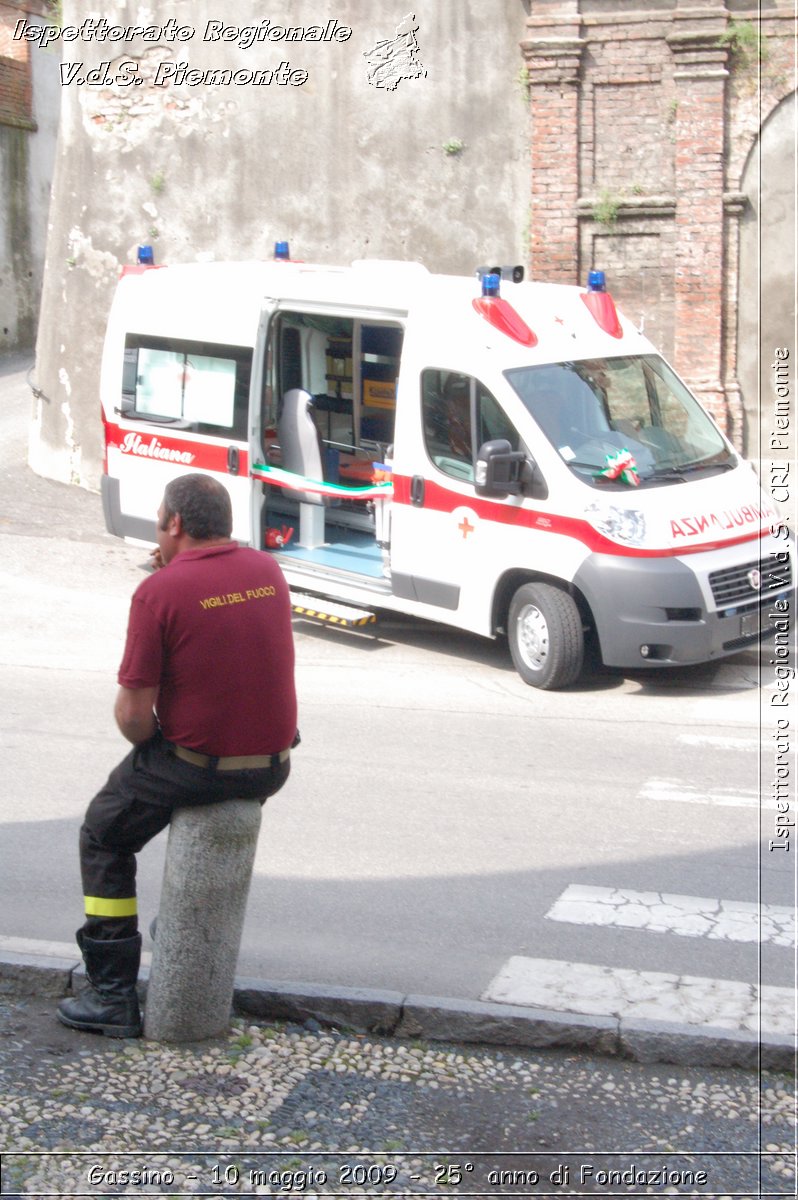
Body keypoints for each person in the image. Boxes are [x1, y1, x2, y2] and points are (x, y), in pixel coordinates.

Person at [57, 473, 298, 1038]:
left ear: (176, 524)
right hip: (273, 765)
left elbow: (133, 718)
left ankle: (113, 995)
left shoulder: (159, 591)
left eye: (160, 522)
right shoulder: (267, 571)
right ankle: (182, 931)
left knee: (103, 833)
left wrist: (154, 747)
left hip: (200, 769)